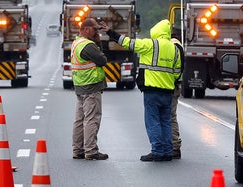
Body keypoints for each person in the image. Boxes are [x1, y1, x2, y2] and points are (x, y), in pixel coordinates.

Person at [100, 19, 182, 162]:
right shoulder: (174, 48)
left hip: (152, 90)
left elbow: (127, 42)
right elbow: (177, 71)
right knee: (166, 121)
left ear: (155, 31)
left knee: (153, 121)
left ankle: (157, 151)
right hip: (168, 91)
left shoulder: (150, 44)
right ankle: (168, 151)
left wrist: (110, 32)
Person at [71, 18, 109, 160]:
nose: (96, 33)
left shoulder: (77, 43)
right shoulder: (88, 45)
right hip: (91, 85)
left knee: (79, 119)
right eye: (94, 30)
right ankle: (91, 150)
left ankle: (78, 150)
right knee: (92, 118)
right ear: (86, 29)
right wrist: (98, 42)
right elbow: (102, 60)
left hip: (80, 85)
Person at [171, 32, 184, 159]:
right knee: (171, 116)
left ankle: (174, 146)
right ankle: (173, 146)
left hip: (172, 86)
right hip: (175, 85)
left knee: (170, 117)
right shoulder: (179, 46)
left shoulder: (174, 46)